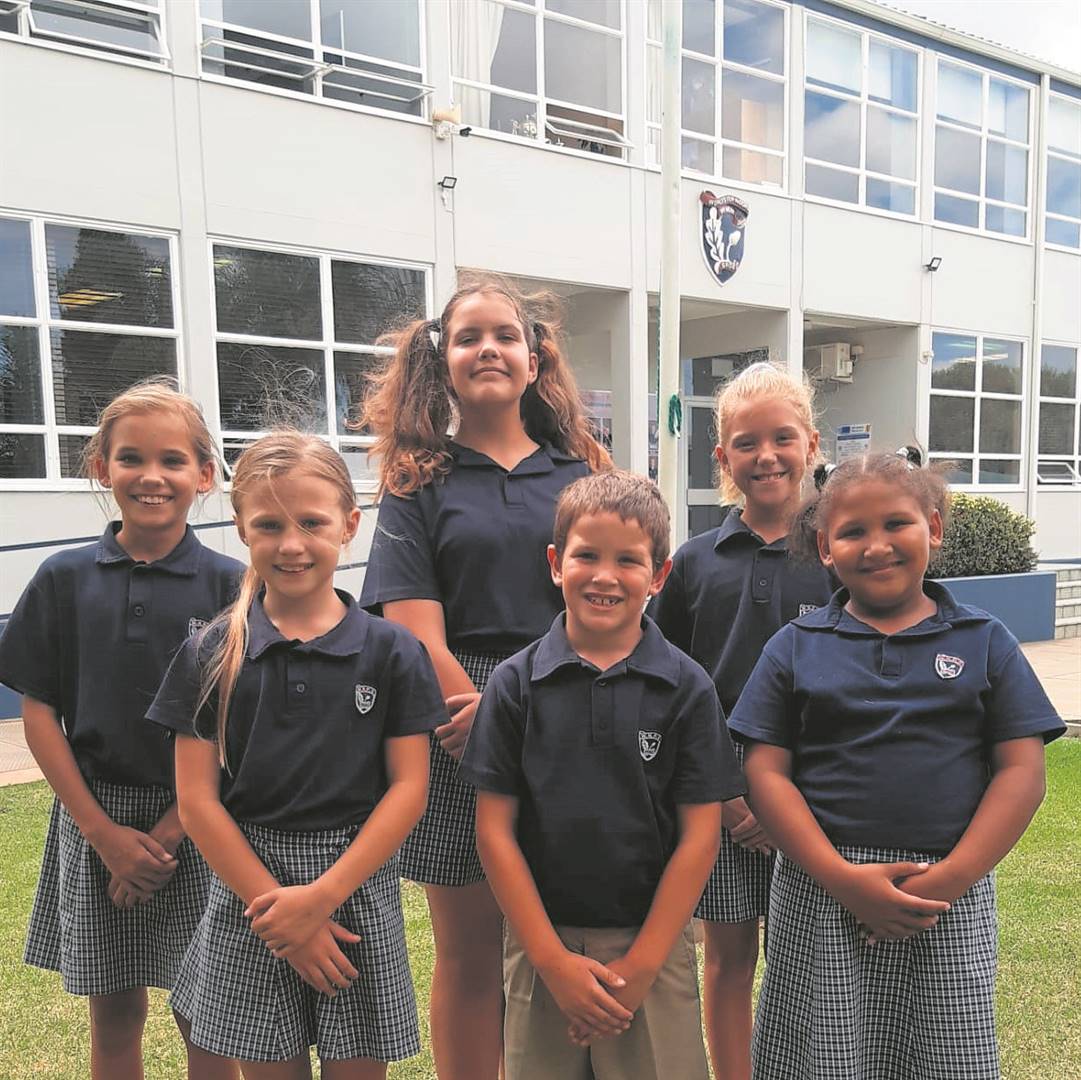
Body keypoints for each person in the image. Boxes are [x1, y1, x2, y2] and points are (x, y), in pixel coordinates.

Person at [729, 452, 1066, 1080]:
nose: (877, 545)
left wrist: (951, 878)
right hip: (821, 893)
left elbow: (1022, 773)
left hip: (945, 897)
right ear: (825, 549)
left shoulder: (985, 640)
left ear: (933, 528)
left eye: (896, 524)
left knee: (943, 1055)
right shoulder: (795, 648)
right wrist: (841, 878)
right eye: (853, 531)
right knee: (820, 1057)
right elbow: (765, 772)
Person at [358, 273, 610, 1079]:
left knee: (560, 935)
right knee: (469, 954)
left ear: (535, 359)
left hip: (570, 709)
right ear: (444, 361)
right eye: (468, 337)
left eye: (505, 335)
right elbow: (412, 625)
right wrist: (490, 714)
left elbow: (607, 609)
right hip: (453, 719)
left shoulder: (581, 476)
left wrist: (533, 712)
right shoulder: (416, 481)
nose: (488, 349)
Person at [147, 432, 446, 1079]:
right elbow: (197, 801)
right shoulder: (210, 653)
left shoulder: (393, 652)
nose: (291, 543)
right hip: (251, 896)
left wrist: (321, 899)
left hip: (355, 889)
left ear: (349, 525)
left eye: (311, 522)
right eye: (269, 524)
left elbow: (409, 789)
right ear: (241, 528)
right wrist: (278, 910)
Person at [460, 469, 744, 1079]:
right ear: (555, 563)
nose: (605, 576)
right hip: (541, 945)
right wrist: (552, 962)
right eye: (586, 555)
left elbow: (700, 838)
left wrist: (641, 967)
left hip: (652, 946)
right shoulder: (513, 685)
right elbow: (494, 833)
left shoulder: (688, 688)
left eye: (628, 560)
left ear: (659, 575)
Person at [0, 378, 242, 1080]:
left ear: (204, 475)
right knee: (113, 1015)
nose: (151, 476)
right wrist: (104, 835)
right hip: (93, 816)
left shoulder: (233, 588)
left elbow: (238, 725)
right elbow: (39, 712)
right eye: (131, 457)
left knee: (208, 1019)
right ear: (102, 467)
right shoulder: (63, 578)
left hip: (200, 822)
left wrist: (170, 833)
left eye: (173, 460)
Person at [647, 361, 832, 1079]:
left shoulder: (839, 556)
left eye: (781, 437)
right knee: (726, 960)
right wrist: (726, 797)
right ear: (722, 457)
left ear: (810, 442)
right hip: (719, 803)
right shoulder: (694, 563)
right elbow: (669, 690)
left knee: (808, 964)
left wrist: (790, 799)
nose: (766, 456)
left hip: (816, 802)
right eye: (746, 443)